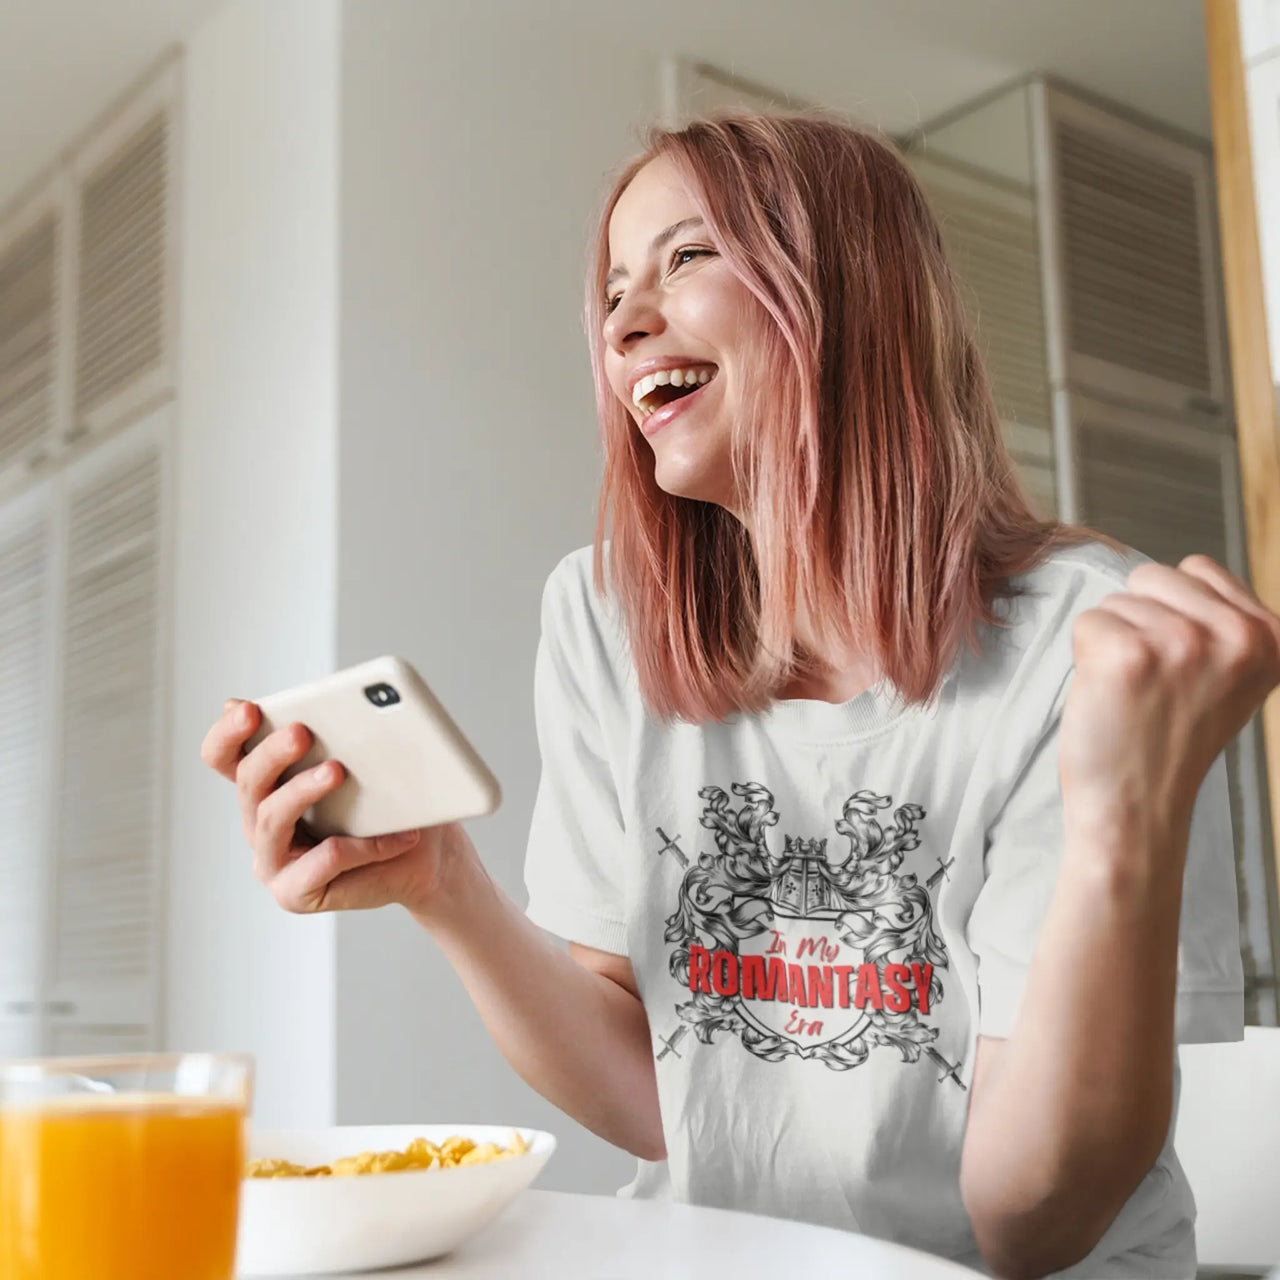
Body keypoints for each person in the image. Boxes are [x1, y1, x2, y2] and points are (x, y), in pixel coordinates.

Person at [201, 112, 1280, 1278]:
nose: (621, 323)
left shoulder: (1099, 644)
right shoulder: (603, 618)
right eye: (612, 291)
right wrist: (442, 884)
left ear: (851, 291)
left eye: (685, 257)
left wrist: (1127, 817)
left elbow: (1030, 1221)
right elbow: (666, 1094)